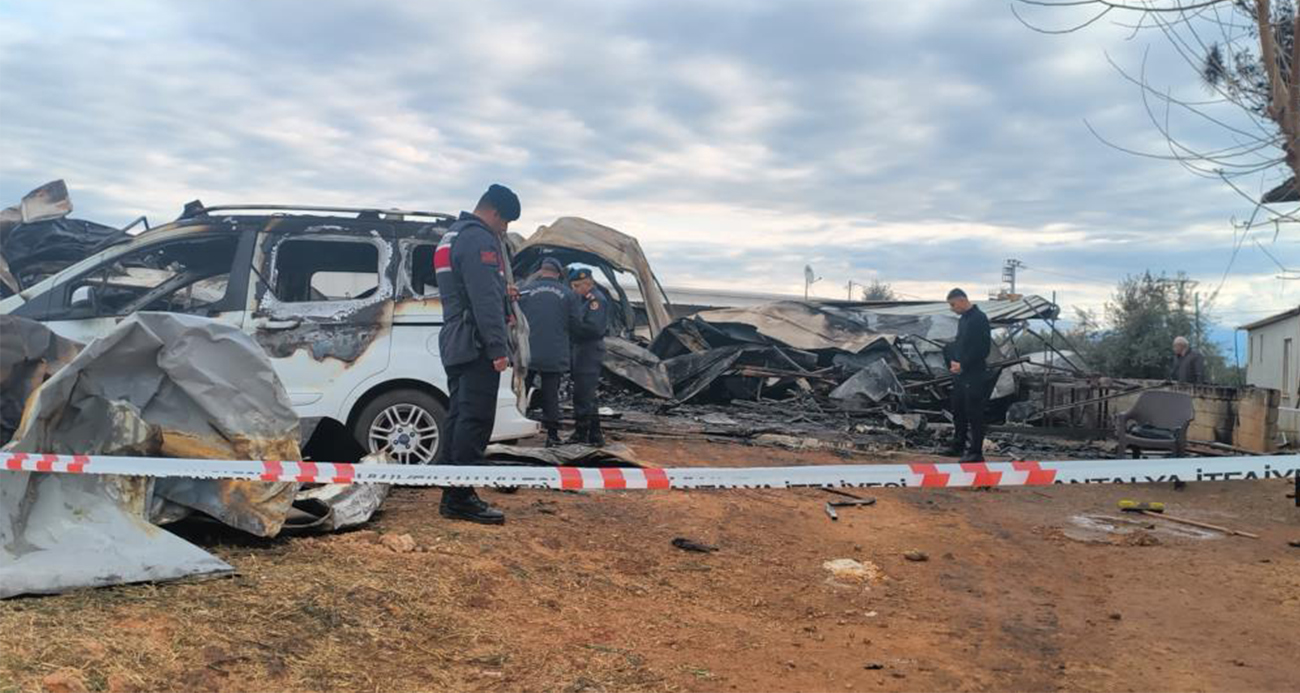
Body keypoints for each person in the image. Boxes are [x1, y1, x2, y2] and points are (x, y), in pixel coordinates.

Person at [432, 184, 520, 524]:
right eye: (506, 222)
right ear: (494, 212)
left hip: (455, 337)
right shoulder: (479, 238)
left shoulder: (451, 236)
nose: (504, 230)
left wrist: (501, 289)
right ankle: (460, 497)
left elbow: (465, 287)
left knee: (458, 415)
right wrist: (498, 348)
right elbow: (482, 299)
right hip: (475, 343)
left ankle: (449, 485)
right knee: (476, 418)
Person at [518, 257, 585, 446]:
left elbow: (513, 317)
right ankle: (552, 435)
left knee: (520, 392)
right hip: (554, 352)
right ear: (558, 273)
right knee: (550, 395)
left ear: (541, 271)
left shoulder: (524, 291)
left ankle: (516, 428)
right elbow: (576, 325)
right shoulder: (568, 295)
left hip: (527, 351)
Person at [944, 288, 992, 462]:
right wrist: (954, 362)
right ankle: (958, 445)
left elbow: (982, 349)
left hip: (975, 374)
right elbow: (960, 344)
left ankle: (976, 452)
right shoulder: (963, 320)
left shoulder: (979, 319)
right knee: (958, 410)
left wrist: (964, 364)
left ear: (963, 300)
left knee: (974, 412)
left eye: (953, 304)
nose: (952, 308)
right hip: (961, 373)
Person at [566, 266, 610, 446]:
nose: (574, 290)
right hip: (581, 349)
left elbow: (594, 328)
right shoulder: (582, 299)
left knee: (583, 394)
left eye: (577, 286)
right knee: (587, 395)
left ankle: (581, 433)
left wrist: (571, 325)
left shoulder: (595, 301)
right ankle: (594, 435)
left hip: (589, 349)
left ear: (588, 284)